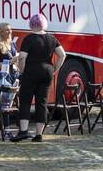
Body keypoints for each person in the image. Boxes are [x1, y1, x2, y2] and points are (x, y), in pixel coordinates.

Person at [10, 13, 66, 142]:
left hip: (31, 72)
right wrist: (54, 69)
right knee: (42, 102)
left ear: (31, 24)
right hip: (47, 73)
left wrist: (22, 69)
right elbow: (62, 55)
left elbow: (22, 56)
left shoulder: (29, 39)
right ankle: (38, 134)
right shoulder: (52, 39)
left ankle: (23, 131)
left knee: (25, 101)